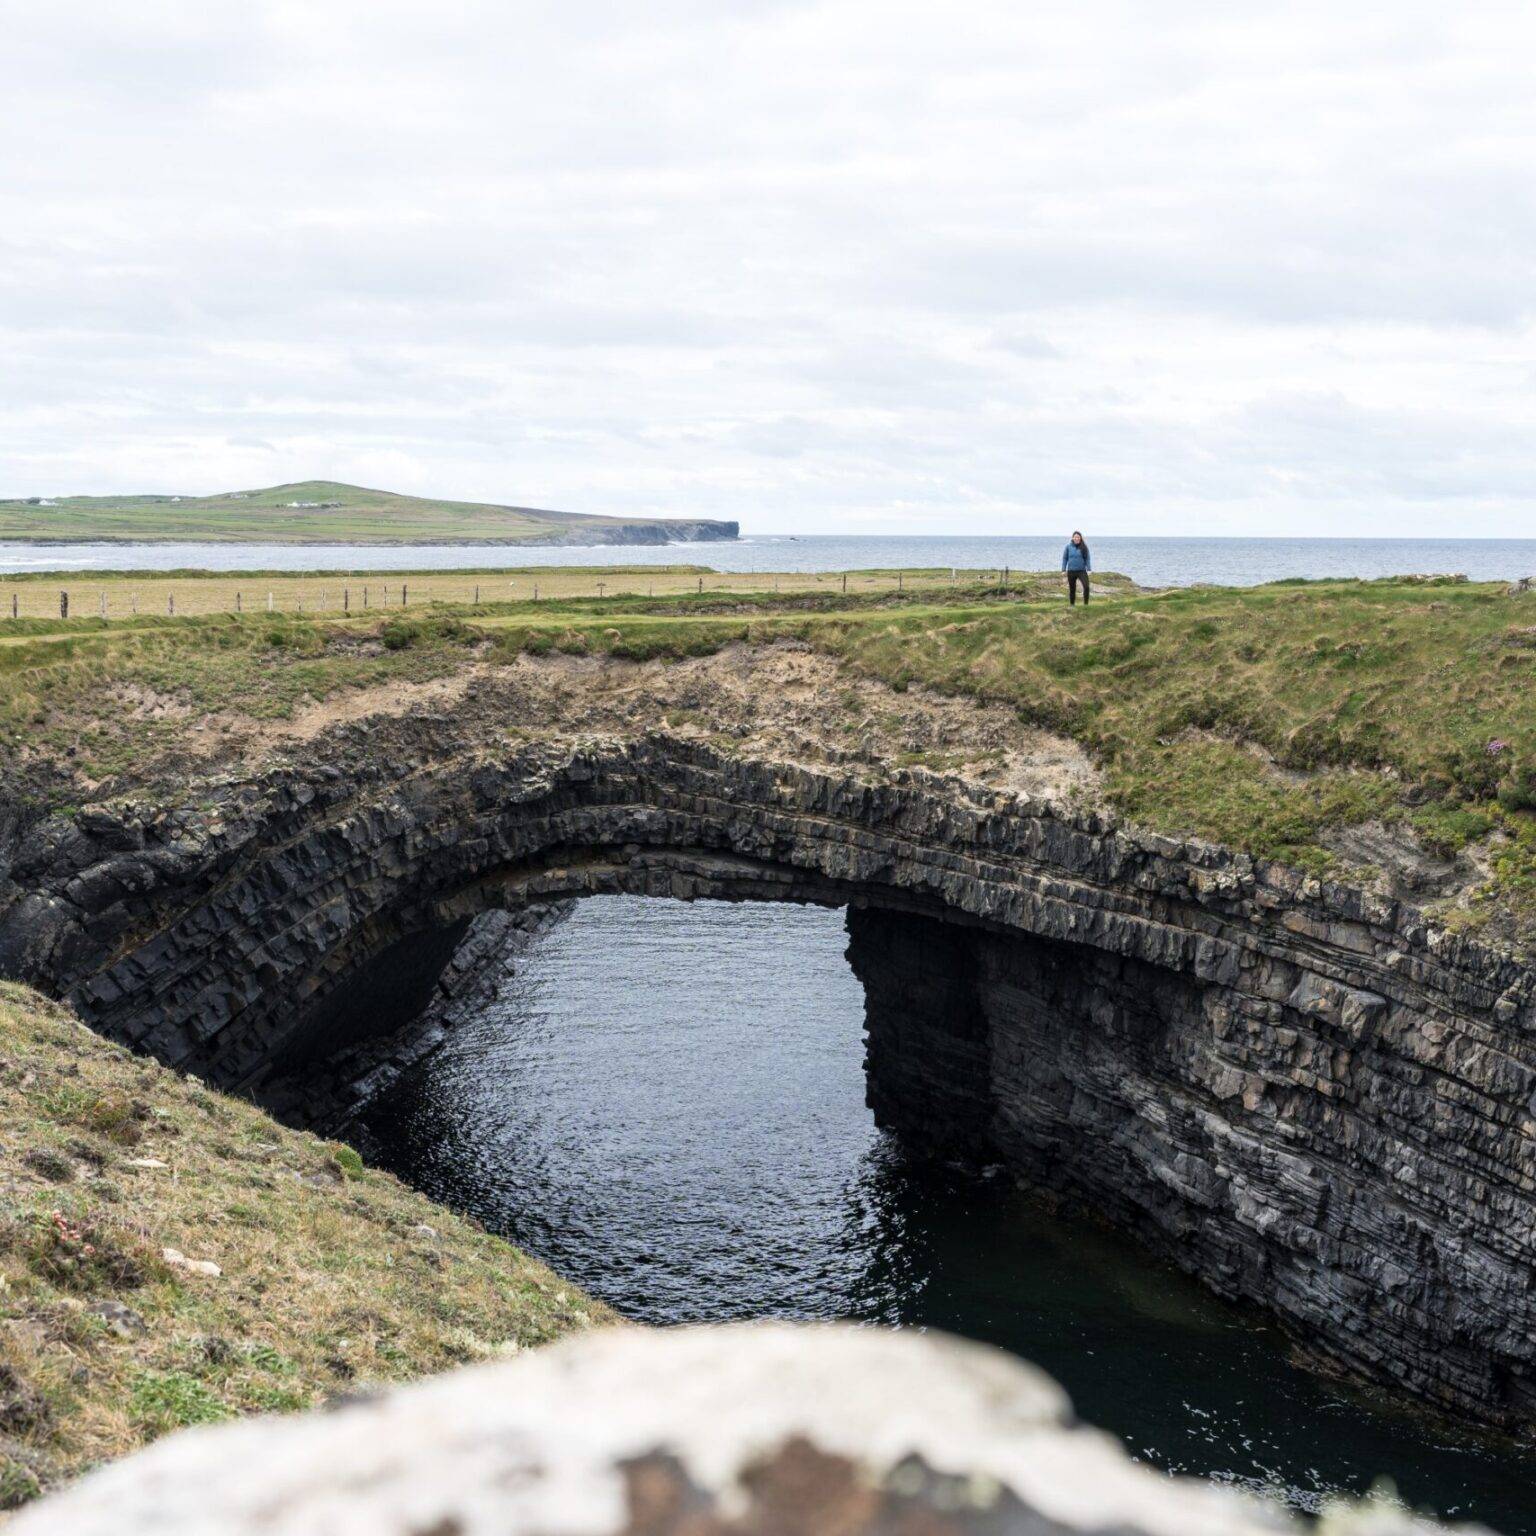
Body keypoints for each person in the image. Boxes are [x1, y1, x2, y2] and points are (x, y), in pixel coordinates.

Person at [1062, 530, 1091, 605]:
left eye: (1078, 537)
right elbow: (1065, 558)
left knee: (1086, 586)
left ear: (1080, 538)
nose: (1076, 538)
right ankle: (1072, 605)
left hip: (1082, 571)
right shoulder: (1068, 547)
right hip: (1071, 571)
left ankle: (1086, 604)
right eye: (1075, 537)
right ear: (1072, 538)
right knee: (1072, 589)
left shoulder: (1084, 547)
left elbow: (1087, 559)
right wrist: (1063, 569)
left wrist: (1089, 569)